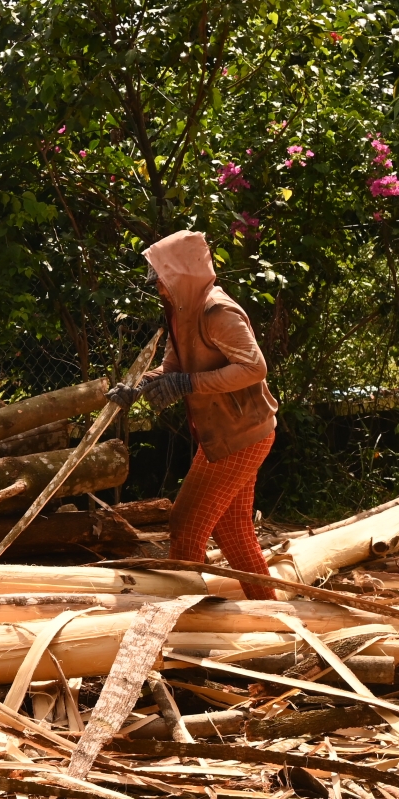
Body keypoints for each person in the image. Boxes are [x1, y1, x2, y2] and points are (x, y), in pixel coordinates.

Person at [108, 230, 279, 598]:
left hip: (243, 434)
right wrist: (138, 386)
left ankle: (183, 619)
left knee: (185, 526)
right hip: (224, 434)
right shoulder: (181, 311)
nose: (159, 290)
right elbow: (173, 365)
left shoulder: (217, 311)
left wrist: (189, 384)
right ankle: (273, 615)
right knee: (234, 532)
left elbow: (254, 368)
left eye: (162, 281)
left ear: (181, 275)